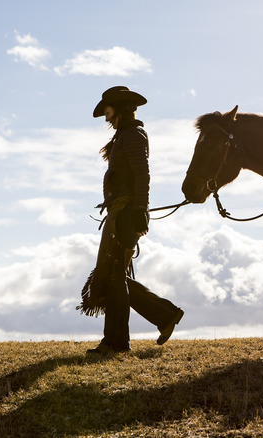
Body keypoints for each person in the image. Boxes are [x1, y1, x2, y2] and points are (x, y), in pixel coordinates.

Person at [78, 86, 184, 354]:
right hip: (120, 211)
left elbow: (142, 174)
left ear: (120, 107)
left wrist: (139, 210)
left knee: (114, 275)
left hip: (126, 212)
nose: (105, 117)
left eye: (107, 110)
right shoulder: (126, 135)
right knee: (115, 275)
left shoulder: (133, 135)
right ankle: (162, 317)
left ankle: (116, 343)